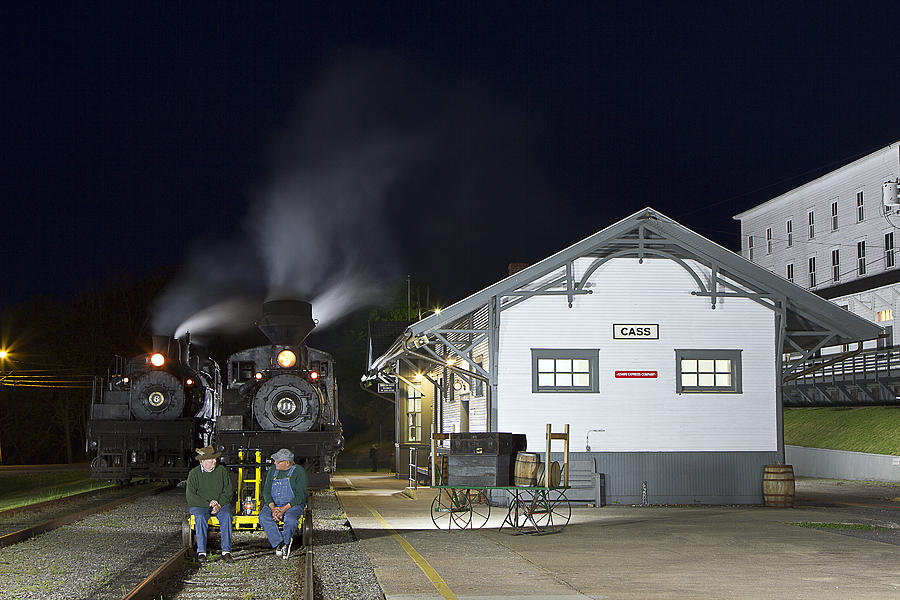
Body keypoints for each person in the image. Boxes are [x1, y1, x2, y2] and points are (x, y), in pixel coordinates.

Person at [186, 446, 234, 563]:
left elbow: (228, 491)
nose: (214, 461)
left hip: (220, 504)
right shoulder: (194, 474)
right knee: (200, 517)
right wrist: (209, 504)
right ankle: (201, 552)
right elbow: (191, 497)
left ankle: (226, 552)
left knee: (227, 516)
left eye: (214, 459)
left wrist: (219, 504)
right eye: (211, 459)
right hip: (201, 505)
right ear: (202, 461)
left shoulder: (221, 471)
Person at [259, 448, 308, 559]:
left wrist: (283, 510)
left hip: (292, 505)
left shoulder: (299, 472)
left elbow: (300, 496)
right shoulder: (273, 470)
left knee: (290, 520)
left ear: (287, 463)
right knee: (263, 517)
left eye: (278, 461)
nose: (275, 462)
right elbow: (266, 491)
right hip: (274, 504)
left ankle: (286, 543)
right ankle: (279, 543)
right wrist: (273, 508)